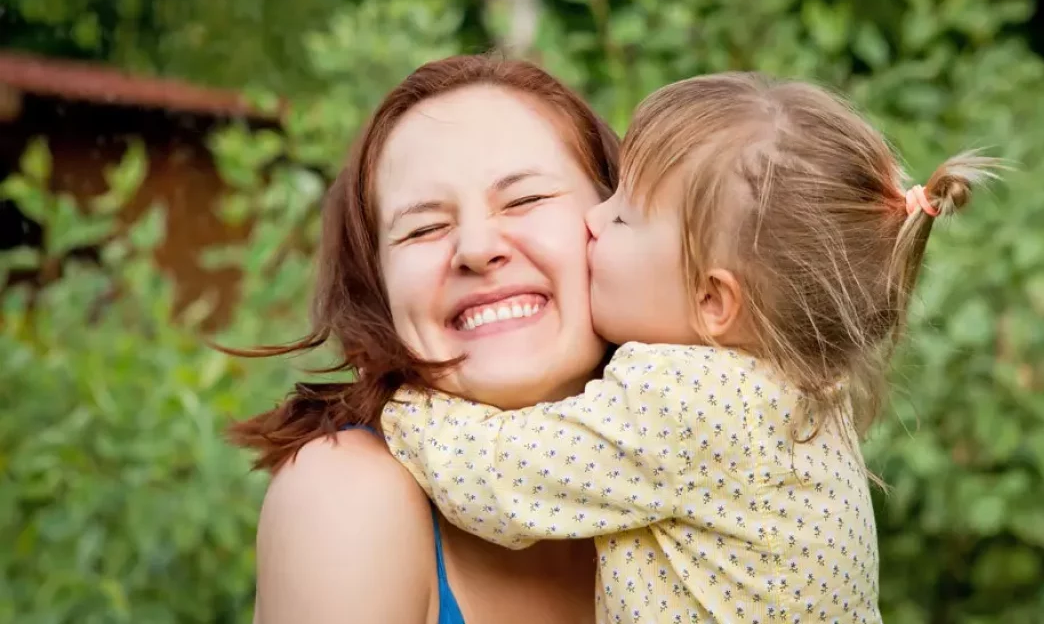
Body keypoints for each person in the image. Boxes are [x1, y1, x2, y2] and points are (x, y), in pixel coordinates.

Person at [382, 73, 1000, 622]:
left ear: (711, 300)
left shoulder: (686, 398)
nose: (594, 220)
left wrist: (400, 401)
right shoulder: (805, 390)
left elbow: (497, 483)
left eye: (624, 217)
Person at [227, 55, 621, 624]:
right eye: (424, 228)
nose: (477, 248)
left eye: (525, 199)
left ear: (620, 221)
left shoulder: (732, 450)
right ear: (377, 288)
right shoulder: (345, 495)